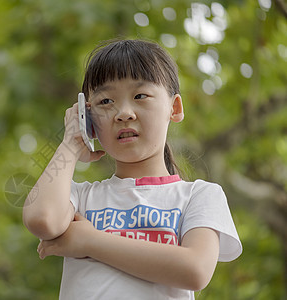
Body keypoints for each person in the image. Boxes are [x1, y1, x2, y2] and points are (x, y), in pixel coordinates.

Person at [22, 38, 242, 300]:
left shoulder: (199, 195)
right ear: (87, 117)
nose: (123, 113)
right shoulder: (81, 198)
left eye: (140, 96)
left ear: (174, 108)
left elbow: (195, 270)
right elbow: (42, 220)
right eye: (105, 102)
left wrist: (90, 241)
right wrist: (70, 143)